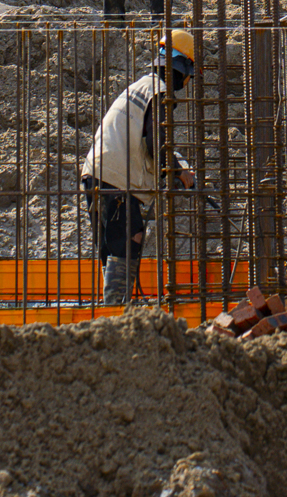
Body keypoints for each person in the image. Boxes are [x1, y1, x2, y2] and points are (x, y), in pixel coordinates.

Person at [81, 29, 199, 304]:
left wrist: (175, 164)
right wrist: (179, 173)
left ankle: (112, 308)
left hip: (96, 172)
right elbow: (156, 144)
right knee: (127, 245)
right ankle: (115, 313)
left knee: (111, 249)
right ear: (183, 68)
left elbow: (148, 138)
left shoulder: (140, 86)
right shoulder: (159, 93)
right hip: (118, 180)